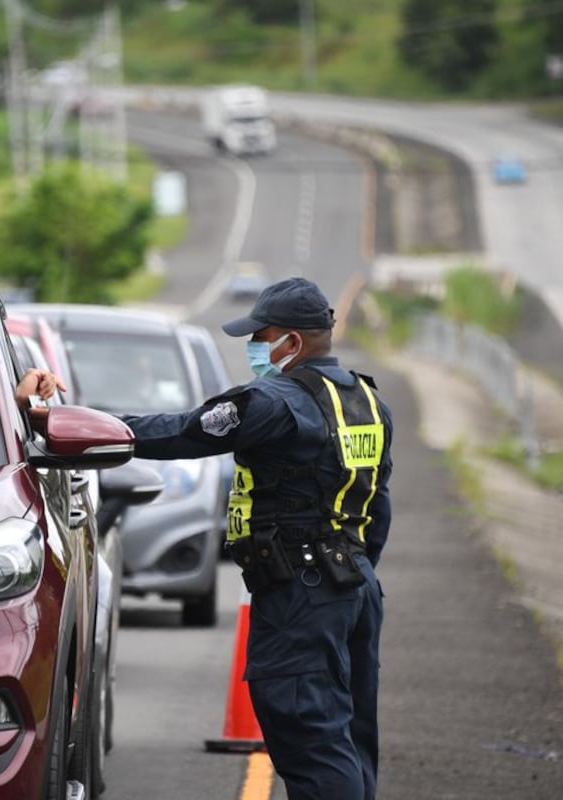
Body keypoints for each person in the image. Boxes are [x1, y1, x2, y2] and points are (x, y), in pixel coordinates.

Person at [116, 277, 394, 800]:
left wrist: (102, 428)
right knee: (349, 743)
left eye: (261, 336)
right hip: (354, 586)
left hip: (302, 593)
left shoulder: (272, 401)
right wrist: (352, 572)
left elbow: (184, 431)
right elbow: (377, 509)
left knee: (311, 741)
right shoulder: (367, 402)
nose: (254, 348)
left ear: (292, 342)